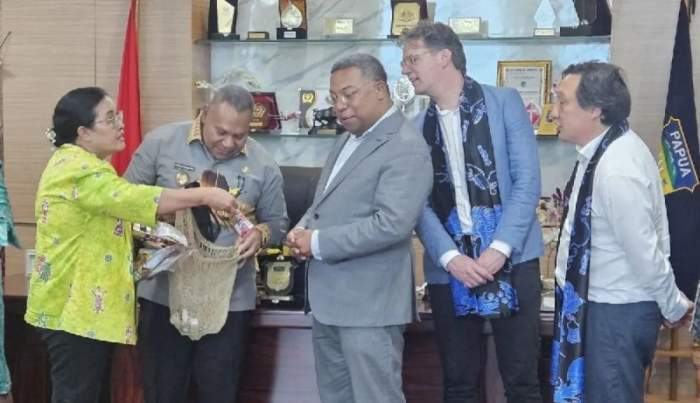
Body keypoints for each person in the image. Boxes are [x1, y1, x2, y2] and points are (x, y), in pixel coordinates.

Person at [23, 86, 238, 403]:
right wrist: (204, 195)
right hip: (72, 311)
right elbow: (133, 198)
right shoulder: (76, 169)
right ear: (83, 132)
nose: (120, 124)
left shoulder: (87, 165)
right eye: (110, 119)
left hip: (84, 313)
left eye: (119, 116)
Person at [401, 21, 544, 403]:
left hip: (513, 259)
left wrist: (499, 250)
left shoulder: (504, 103)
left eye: (413, 59)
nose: (405, 69)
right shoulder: (414, 129)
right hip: (449, 269)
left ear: (444, 57)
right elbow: (417, 203)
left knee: (522, 382)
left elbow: (527, 183)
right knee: (458, 383)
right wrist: (451, 259)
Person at [125, 84, 288, 403]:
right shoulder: (162, 143)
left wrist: (260, 234)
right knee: (163, 391)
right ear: (204, 114)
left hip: (230, 299)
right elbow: (124, 199)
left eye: (239, 136)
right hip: (163, 292)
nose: (228, 143)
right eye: (221, 132)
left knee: (219, 391)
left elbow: (278, 222)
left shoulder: (264, 164)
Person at [284, 53, 432, 403]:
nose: (339, 105)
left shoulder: (406, 146)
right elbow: (324, 203)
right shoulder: (345, 139)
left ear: (380, 89)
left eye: (349, 94)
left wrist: (316, 242)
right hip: (328, 302)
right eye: (334, 97)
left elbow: (391, 224)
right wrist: (301, 229)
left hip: (370, 308)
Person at [550, 61, 693, 403]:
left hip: (615, 315)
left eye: (563, 102)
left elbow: (645, 254)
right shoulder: (602, 152)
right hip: (601, 309)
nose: (553, 113)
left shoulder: (617, 167)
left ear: (595, 109)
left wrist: (673, 305)